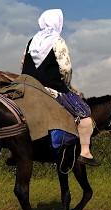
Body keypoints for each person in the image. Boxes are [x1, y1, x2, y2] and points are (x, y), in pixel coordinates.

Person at [21, 9, 100, 166]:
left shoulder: (31, 41)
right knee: (84, 115)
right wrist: (67, 85)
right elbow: (65, 68)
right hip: (50, 88)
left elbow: (23, 63)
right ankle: (85, 152)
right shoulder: (58, 40)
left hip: (27, 85)